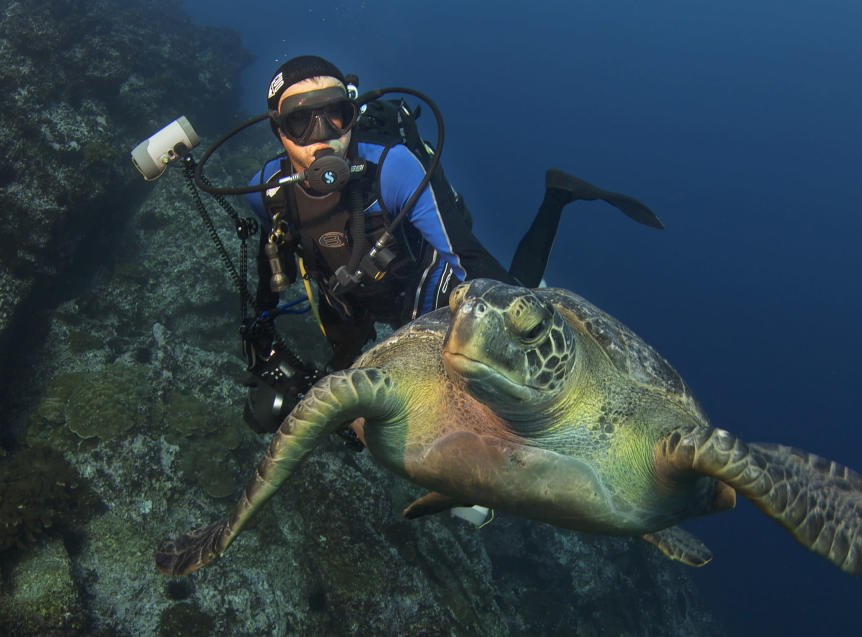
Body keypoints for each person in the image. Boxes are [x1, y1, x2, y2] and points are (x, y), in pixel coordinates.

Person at [241, 55, 661, 433]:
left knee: (512, 304)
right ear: (279, 131)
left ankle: (558, 196)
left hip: (426, 287)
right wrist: (261, 333)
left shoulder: (393, 168)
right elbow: (270, 259)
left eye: (337, 115)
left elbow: (468, 257)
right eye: (301, 120)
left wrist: (529, 325)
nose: (322, 135)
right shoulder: (268, 191)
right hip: (349, 299)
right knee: (335, 391)